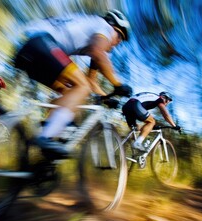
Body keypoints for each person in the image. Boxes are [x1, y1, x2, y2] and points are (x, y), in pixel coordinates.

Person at [14, 9, 133, 158]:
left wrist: (105, 97)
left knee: (70, 91)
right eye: (119, 37)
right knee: (81, 87)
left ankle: (49, 136)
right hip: (41, 42)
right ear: (114, 27)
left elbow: (92, 81)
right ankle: (46, 136)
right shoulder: (104, 27)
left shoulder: (92, 31)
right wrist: (117, 84)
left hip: (28, 47)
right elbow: (98, 52)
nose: (117, 43)